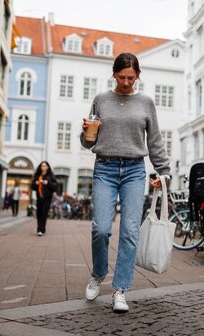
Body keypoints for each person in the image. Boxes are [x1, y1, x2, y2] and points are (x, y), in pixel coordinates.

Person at [80, 52, 170, 313]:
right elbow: (88, 142)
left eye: (131, 77)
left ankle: (120, 289)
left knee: (130, 232)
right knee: (101, 229)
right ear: (113, 74)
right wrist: (86, 130)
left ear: (138, 76)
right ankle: (98, 274)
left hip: (134, 170)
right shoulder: (101, 100)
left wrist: (162, 173)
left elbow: (154, 140)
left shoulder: (146, 103)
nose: (126, 82)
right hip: (105, 168)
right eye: (122, 77)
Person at [31, 161, 58, 236]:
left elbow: (55, 186)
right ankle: (39, 228)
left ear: (47, 167)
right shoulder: (37, 175)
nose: (43, 167)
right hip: (39, 197)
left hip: (47, 198)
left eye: (45, 166)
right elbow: (32, 187)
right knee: (38, 213)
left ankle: (41, 229)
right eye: (42, 166)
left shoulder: (51, 176)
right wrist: (35, 184)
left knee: (44, 213)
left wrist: (48, 183)